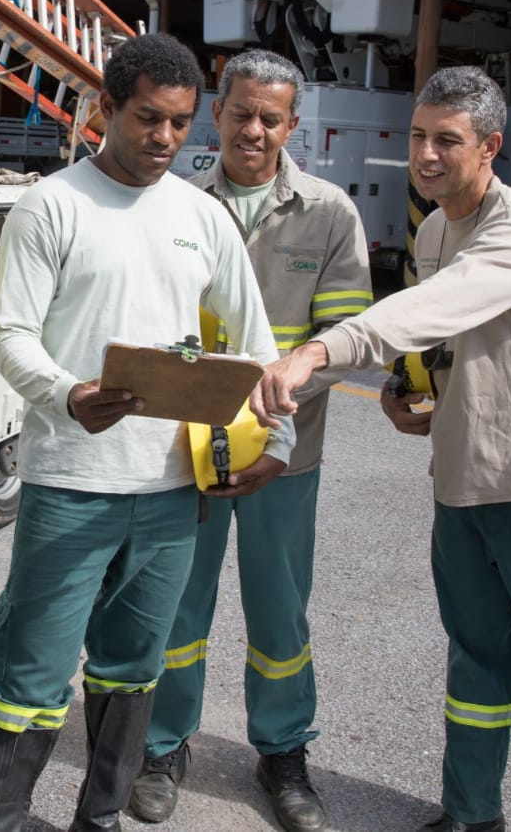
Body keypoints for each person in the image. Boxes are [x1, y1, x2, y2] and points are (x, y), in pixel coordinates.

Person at [251, 66, 511, 832]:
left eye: (447, 141)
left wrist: (316, 353)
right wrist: (410, 396)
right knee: (476, 666)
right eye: (417, 137)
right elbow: (441, 340)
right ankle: (473, 815)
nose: (427, 155)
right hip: (467, 485)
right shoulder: (437, 226)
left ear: (490, 148)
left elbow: (438, 303)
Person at [0, 33, 295, 832]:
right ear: (103, 109)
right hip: (71, 485)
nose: (165, 140)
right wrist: (65, 393)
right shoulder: (53, 205)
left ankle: (99, 819)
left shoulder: (201, 215)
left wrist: (276, 442)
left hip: (168, 493)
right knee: (32, 673)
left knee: (132, 669)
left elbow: (256, 347)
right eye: (148, 118)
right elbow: (10, 335)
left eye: (182, 125)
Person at [127, 50, 370, 832]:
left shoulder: (331, 212)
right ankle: (163, 745)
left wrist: (277, 424)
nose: (254, 130)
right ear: (217, 115)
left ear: (293, 124)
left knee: (279, 613)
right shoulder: (172, 202)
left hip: (283, 455)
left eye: (271, 118)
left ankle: (284, 751)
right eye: (241, 114)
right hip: (184, 452)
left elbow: (344, 338)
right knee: (176, 606)